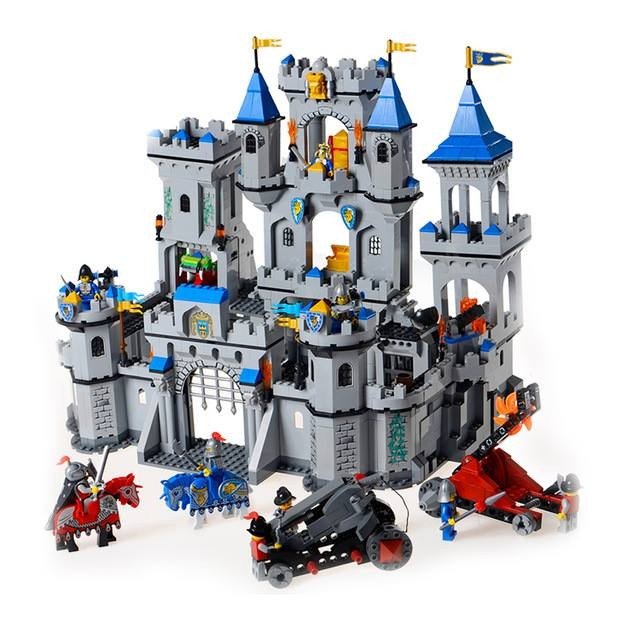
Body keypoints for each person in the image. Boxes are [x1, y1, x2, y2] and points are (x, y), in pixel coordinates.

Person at [46, 456, 98, 532]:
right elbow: (84, 490)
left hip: (83, 497)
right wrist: (93, 489)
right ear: (76, 474)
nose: (85, 472)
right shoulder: (79, 484)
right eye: (82, 471)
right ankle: (92, 516)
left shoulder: (73, 480)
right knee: (93, 501)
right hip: (84, 499)